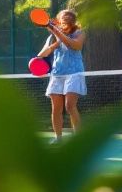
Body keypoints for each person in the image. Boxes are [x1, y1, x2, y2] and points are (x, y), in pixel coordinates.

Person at [35, 8, 86, 142]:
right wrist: (54, 44)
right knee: (56, 109)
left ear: (74, 20)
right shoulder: (52, 37)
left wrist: (56, 32)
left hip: (74, 73)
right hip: (57, 74)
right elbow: (41, 55)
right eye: (64, 16)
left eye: (69, 16)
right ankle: (58, 138)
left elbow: (76, 46)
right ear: (58, 20)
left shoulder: (79, 33)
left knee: (69, 106)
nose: (66, 18)